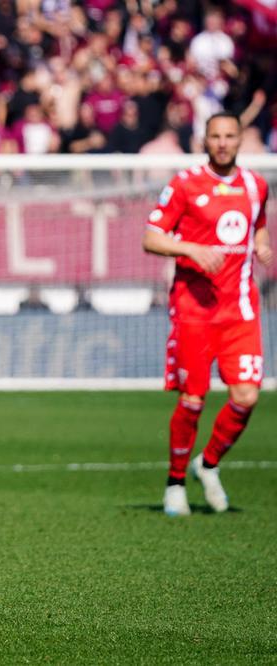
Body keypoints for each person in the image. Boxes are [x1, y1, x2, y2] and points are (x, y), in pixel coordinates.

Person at [142, 111, 272, 516]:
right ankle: (175, 483)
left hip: (241, 309)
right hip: (194, 309)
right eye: (215, 136)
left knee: (247, 395)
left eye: (229, 136)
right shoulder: (184, 184)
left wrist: (263, 247)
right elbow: (151, 237)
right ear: (205, 140)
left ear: (239, 140)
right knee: (194, 400)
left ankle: (208, 463)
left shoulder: (256, 186)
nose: (222, 143)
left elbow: (258, 225)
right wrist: (189, 249)